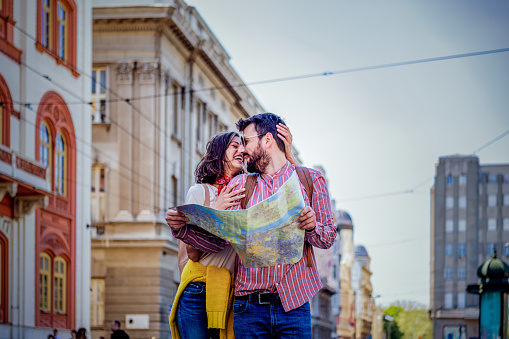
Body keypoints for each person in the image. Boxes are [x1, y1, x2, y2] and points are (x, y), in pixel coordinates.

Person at [166, 113, 336, 338]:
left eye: (246, 142)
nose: (243, 150)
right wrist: (184, 228)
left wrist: (312, 226)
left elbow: (327, 238)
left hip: (294, 304)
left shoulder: (311, 180)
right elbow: (219, 240)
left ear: (267, 141)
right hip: (249, 307)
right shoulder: (241, 184)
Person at [170, 128, 296, 339]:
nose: (241, 150)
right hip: (197, 290)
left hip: (231, 292)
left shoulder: (249, 194)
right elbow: (192, 253)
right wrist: (217, 210)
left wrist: (288, 155)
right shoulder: (200, 192)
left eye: (243, 146)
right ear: (220, 153)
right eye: (234, 146)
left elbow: (283, 185)